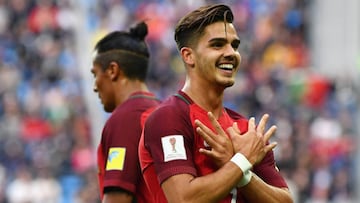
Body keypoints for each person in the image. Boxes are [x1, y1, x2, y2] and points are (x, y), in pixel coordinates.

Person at [139, 4, 293, 203]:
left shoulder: (246, 131)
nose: (231, 53)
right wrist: (241, 161)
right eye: (217, 44)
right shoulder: (168, 118)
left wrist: (243, 173)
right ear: (188, 56)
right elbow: (183, 199)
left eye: (234, 45)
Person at [91, 21, 160, 203]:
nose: (94, 86)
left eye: (95, 74)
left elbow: (117, 197)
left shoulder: (126, 118)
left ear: (113, 70)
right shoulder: (162, 110)